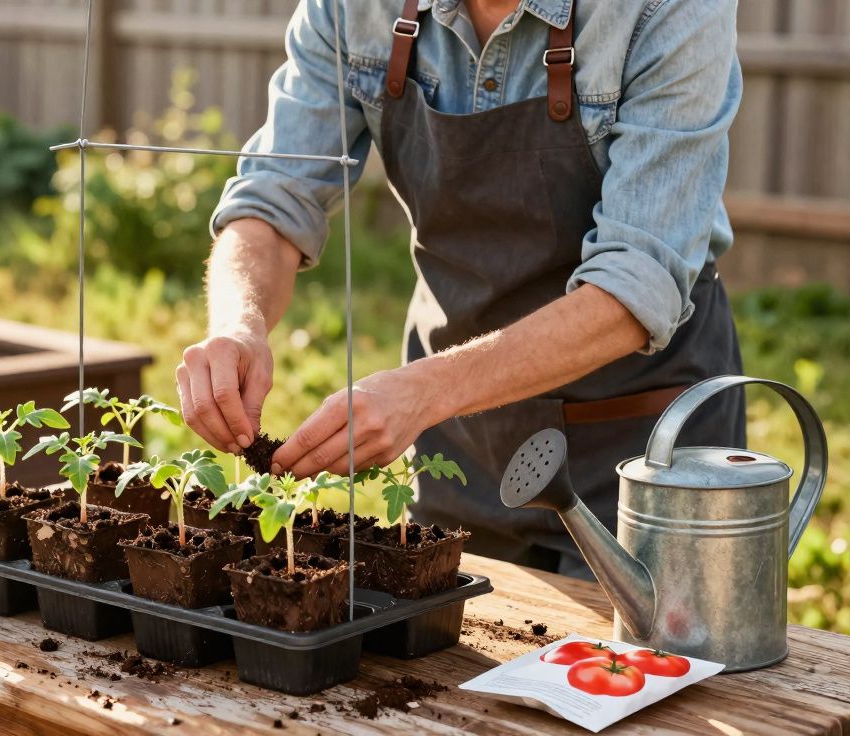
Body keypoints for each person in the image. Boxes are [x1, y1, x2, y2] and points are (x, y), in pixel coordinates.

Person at [176, 0, 746, 576]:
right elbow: (274, 196)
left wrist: (422, 392)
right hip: (462, 442)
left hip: (639, 443)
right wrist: (238, 322)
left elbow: (637, 284)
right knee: (453, 659)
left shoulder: (666, 9)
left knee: (646, 663)